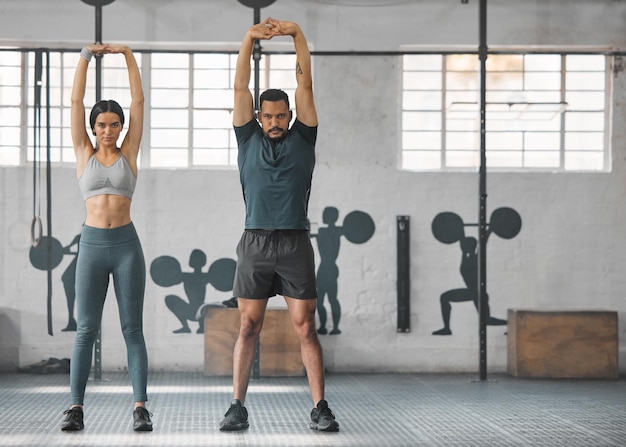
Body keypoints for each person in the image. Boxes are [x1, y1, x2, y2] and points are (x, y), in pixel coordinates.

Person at [219, 18, 339, 433]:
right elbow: (239, 89)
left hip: (294, 243)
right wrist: (248, 37)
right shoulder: (247, 138)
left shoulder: (303, 138)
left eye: (280, 115)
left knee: (306, 326)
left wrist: (297, 35)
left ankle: (320, 407)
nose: (274, 121)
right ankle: (237, 406)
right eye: (267, 115)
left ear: (289, 116)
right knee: (248, 325)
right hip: (254, 243)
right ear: (258, 116)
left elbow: (305, 86)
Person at [61, 44, 152, 432]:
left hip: (127, 247)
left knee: (132, 329)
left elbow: (139, 99)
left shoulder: (130, 150)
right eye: (102, 125)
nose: (109, 131)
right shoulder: (84, 151)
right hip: (93, 247)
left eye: (115, 124)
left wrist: (128, 55)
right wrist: (85, 56)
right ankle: (75, 408)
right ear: (93, 128)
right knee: (86, 329)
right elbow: (76, 100)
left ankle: (140, 408)